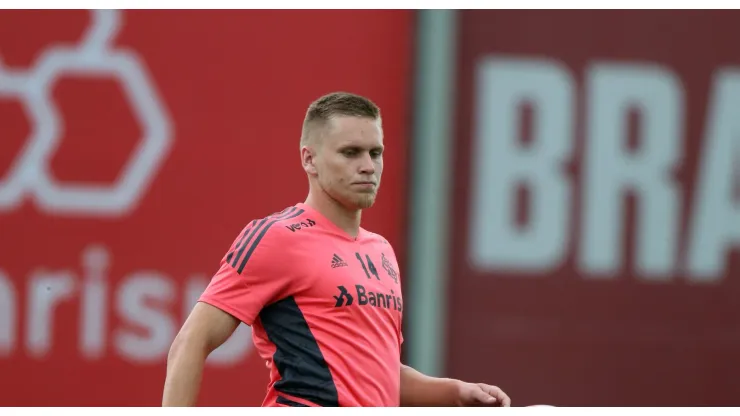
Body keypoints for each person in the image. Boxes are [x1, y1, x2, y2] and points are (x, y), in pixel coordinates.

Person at [161, 92, 511, 407]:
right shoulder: (277, 237)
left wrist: (457, 392)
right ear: (309, 159)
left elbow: (380, 377)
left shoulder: (381, 251)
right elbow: (190, 342)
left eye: (376, 153)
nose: (368, 166)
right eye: (350, 153)